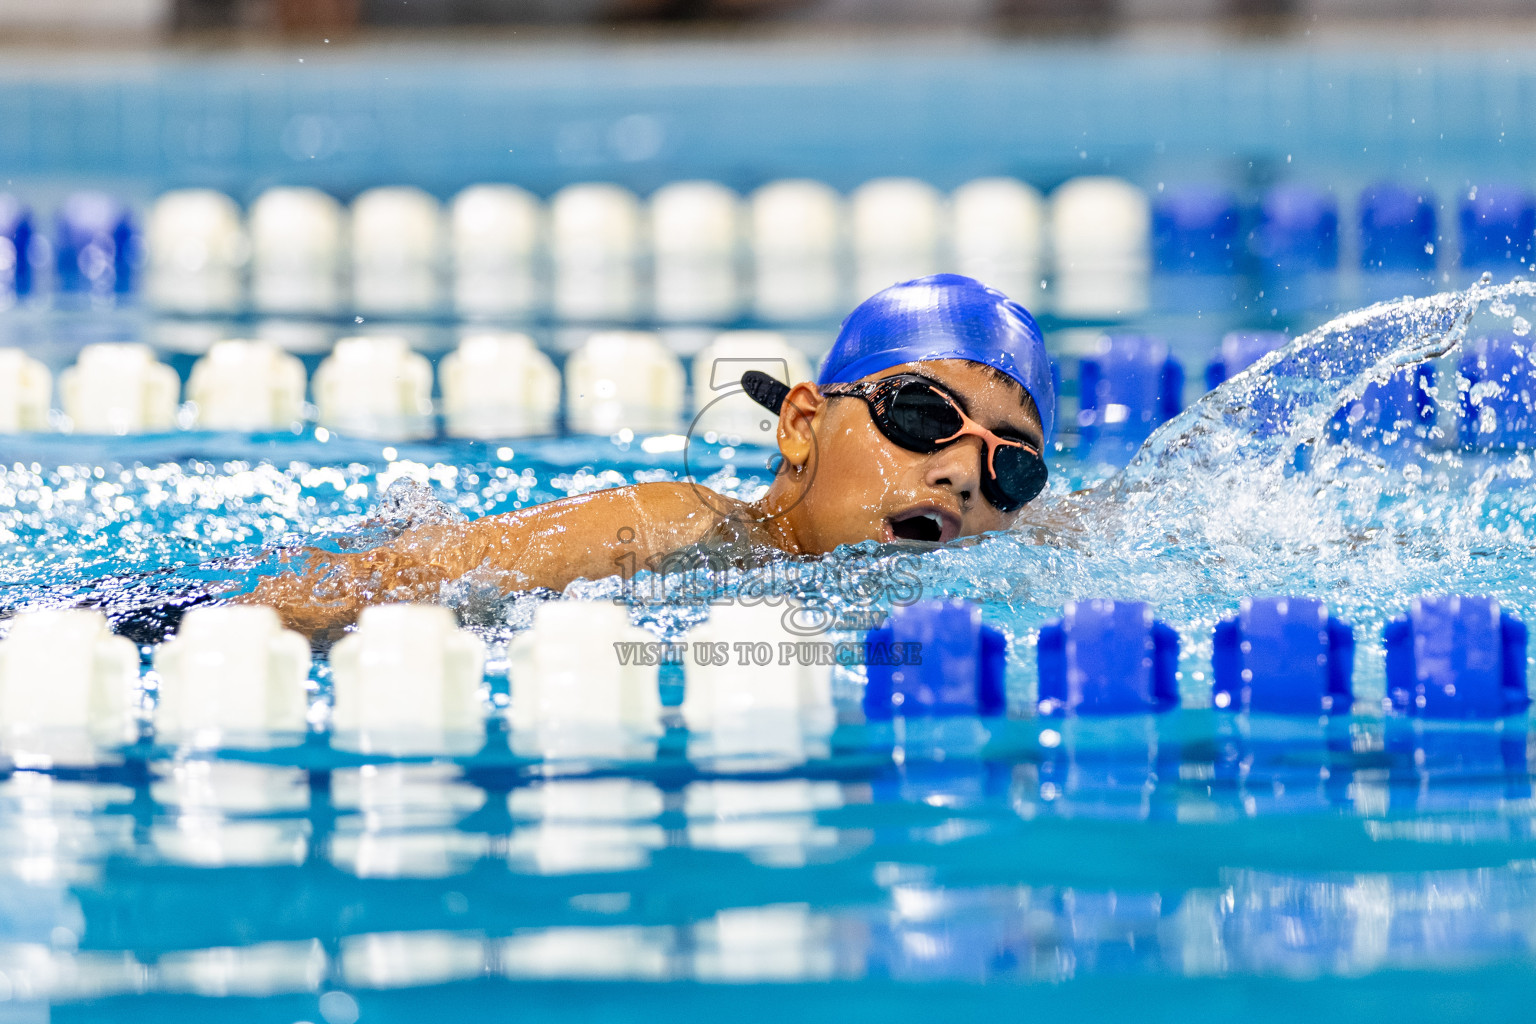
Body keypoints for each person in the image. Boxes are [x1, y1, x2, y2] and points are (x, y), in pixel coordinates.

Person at [243, 274, 1056, 639]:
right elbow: (391, 583)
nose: (959, 474)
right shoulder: (681, 526)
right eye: (921, 415)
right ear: (801, 425)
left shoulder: (990, 579)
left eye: (1009, 466)